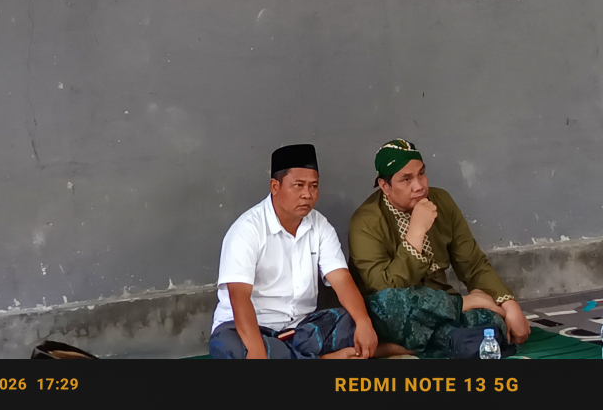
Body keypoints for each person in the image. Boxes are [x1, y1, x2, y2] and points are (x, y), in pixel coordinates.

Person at [348, 139, 531, 358]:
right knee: (389, 304)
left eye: (421, 174)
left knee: (493, 323)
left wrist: (507, 302)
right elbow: (384, 289)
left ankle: (398, 349)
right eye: (406, 179)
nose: (419, 186)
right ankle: (451, 338)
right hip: (395, 314)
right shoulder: (365, 221)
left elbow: (472, 265)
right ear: (385, 186)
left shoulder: (441, 201)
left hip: (442, 308)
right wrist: (416, 233)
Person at [208, 145, 378, 359]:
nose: (307, 194)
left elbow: (341, 279)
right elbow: (239, 296)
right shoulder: (247, 229)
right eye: (298, 185)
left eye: (313, 186)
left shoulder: (320, 226)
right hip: (250, 329)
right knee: (229, 348)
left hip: (301, 329)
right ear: (275, 186)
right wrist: (257, 351)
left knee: (363, 318)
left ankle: (299, 356)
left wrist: (363, 322)